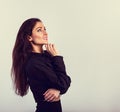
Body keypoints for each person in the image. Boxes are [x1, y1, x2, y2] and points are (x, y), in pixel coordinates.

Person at [11, 18, 71, 112]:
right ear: (29, 37)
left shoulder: (46, 55)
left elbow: (66, 80)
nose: (45, 33)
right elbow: (62, 83)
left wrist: (58, 90)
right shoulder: (34, 62)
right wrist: (57, 57)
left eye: (45, 29)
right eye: (39, 30)